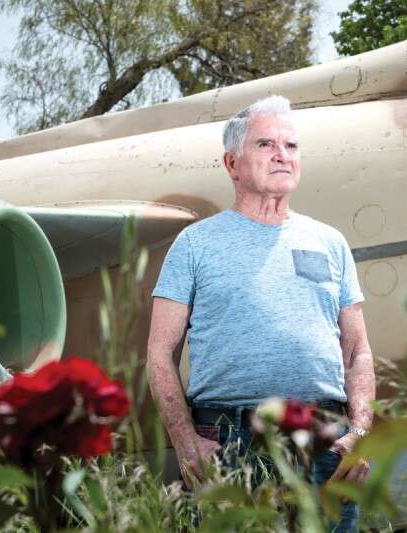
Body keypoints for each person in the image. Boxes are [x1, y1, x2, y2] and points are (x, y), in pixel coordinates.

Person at [146, 95, 375, 531]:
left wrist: (360, 434)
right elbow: (159, 353)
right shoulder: (194, 245)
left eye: (291, 146)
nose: (282, 155)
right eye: (265, 144)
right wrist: (185, 440)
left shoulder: (330, 243)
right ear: (232, 163)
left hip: (325, 442)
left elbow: (358, 351)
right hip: (229, 442)